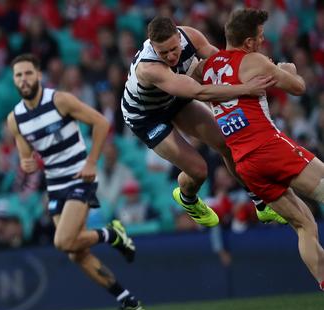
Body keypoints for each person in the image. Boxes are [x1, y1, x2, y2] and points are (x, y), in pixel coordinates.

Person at [7, 54, 144, 310]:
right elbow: (26, 152)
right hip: (54, 184)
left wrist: (92, 162)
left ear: (38, 75)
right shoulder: (15, 118)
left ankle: (111, 235)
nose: (23, 80)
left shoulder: (59, 100)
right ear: (14, 80)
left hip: (79, 175)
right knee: (75, 253)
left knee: (62, 241)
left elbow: (101, 123)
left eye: (28, 73)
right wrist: (26, 163)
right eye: (18, 75)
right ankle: (128, 301)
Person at [120, 16, 286, 228]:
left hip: (173, 98)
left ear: (178, 37)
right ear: (152, 46)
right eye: (164, 53)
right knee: (199, 171)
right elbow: (200, 92)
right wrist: (246, 88)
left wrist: (256, 67)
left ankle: (261, 203)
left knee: (227, 143)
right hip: (146, 117)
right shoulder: (149, 68)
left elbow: (222, 61)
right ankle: (187, 198)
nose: (171, 56)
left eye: (173, 49)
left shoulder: (190, 36)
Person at [201, 8, 324, 290]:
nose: (263, 40)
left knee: (305, 225)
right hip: (269, 146)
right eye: (259, 36)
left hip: (244, 164)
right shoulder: (253, 60)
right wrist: (287, 68)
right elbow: (298, 87)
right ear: (248, 43)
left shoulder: (207, 68)